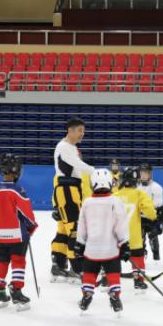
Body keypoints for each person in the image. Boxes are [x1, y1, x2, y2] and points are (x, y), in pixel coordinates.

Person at [75, 169, 131, 314]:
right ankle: (115, 294)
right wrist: (124, 243)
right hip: (110, 248)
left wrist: (80, 243)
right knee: (113, 272)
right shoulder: (115, 201)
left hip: (92, 249)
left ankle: (87, 292)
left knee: (90, 272)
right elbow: (121, 225)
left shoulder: (87, 202)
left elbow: (82, 225)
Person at [0, 154, 38, 311]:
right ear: (16, 171)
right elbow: (27, 214)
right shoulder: (18, 191)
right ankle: (16, 290)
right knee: (18, 261)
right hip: (17, 235)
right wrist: (31, 227)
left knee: (1, 261)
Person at [50, 117, 95, 283]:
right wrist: (94, 171)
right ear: (70, 130)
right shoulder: (64, 147)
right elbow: (77, 165)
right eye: (79, 130)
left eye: (83, 131)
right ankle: (77, 269)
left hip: (70, 189)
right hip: (68, 190)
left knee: (63, 230)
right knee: (75, 230)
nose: (82, 134)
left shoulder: (71, 147)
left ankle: (58, 265)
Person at [114, 167, 157, 291]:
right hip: (134, 236)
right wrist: (155, 216)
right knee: (138, 256)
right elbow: (150, 213)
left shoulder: (115, 195)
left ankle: (109, 279)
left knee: (114, 258)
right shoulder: (140, 194)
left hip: (116, 236)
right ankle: (138, 280)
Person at [137, 163, 163, 260]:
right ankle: (141, 255)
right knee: (139, 239)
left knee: (153, 238)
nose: (143, 175)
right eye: (142, 173)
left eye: (146, 173)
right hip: (139, 218)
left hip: (152, 218)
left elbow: (159, 206)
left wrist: (161, 216)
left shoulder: (157, 187)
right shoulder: (135, 187)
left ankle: (156, 256)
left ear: (150, 174)